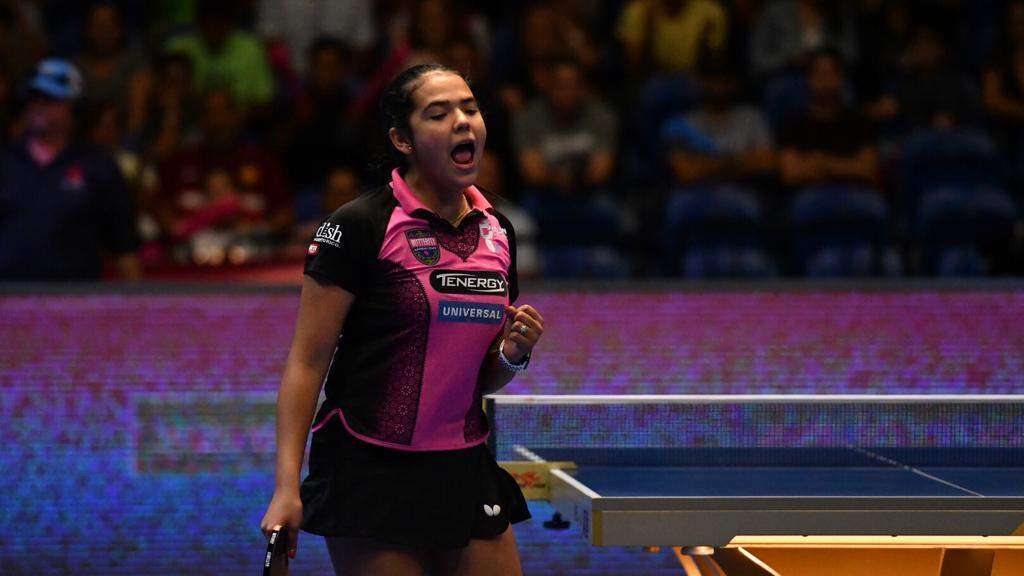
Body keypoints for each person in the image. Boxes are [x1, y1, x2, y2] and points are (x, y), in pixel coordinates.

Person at [260, 63, 544, 575]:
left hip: (462, 463)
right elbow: (307, 362)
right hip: (369, 467)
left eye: (470, 108)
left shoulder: (497, 232)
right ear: (402, 139)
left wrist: (511, 355)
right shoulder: (359, 226)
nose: (462, 121)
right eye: (439, 113)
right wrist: (286, 487)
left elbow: (479, 377)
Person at [0, 58, 140, 280]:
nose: (38, 106)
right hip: (9, 295)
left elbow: (124, 248)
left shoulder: (97, 166)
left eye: (50, 99)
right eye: (33, 98)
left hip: (75, 295)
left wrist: (135, 297)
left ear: (74, 108)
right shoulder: (6, 161)